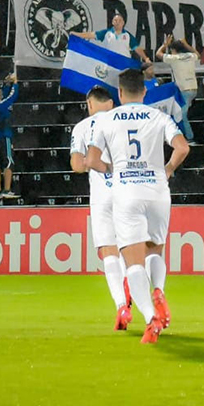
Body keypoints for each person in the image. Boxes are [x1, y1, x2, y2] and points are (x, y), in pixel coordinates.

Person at [85, 69, 190, 344]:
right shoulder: (159, 116)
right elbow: (182, 147)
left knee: (133, 263)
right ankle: (159, 290)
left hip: (127, 193)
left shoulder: (106, 119)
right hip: (157, 192)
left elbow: (91, 160)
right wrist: (168, 169)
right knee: (155, 249)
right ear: (144, 92)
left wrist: (111, 169)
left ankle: (150, 318)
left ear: (120, 93)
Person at [69, 87, 133, 331]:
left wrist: (90, 163)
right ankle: (130, 282)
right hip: (129, 191)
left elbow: (77, 165)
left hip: (102, 196)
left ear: (90, 104)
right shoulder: (125, 122)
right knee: (130, 247)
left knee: (108, 251)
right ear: (111, 102)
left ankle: (121, 306)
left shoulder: (82, 127)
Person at [156, 37, 201, 143]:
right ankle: (184, 136)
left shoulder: (174, 58)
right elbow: (198, 55)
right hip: (193, 88)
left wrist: (165, 44)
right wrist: (186, 44)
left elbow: (158, 54)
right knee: (180, 113)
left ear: (173, 50)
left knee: (181, 115)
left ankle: (189, 137)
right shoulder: (189, 56)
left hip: (183, 90)